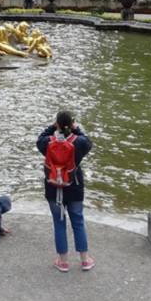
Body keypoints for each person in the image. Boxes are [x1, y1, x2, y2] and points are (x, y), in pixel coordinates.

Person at [36, 110, 94, 273]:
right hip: (74, 187)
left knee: (59, 223)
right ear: (72, 123)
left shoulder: (48, 142)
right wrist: (76, 129)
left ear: (57, 124)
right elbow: (88, 142)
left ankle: (63, 262)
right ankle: (85, 260)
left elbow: (39, 139)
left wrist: (52, 127)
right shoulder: (79, 142)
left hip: (53, 188)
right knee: (78, 222)